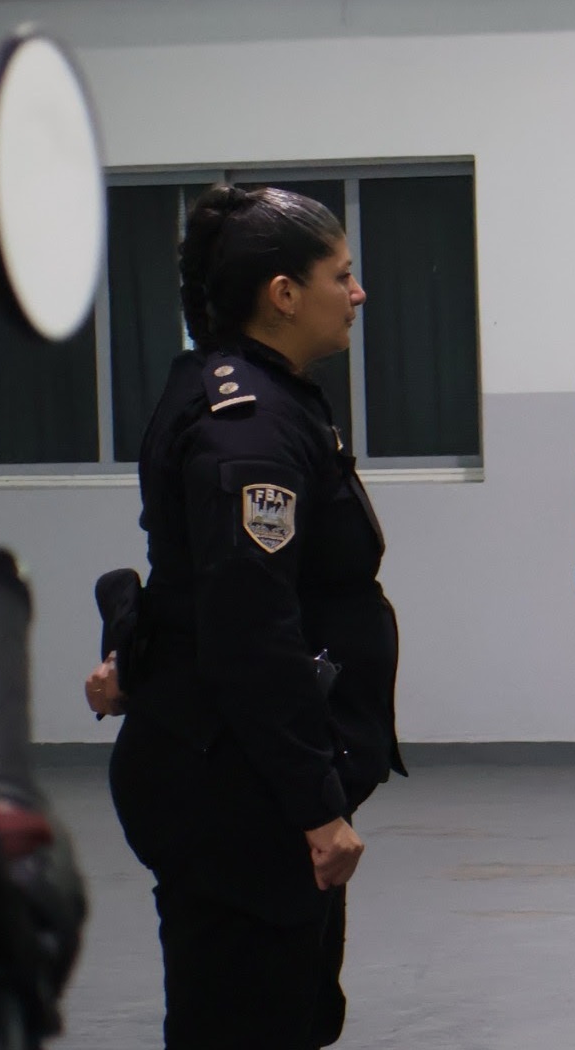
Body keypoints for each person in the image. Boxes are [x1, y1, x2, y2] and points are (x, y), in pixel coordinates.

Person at [83, 185, 404, 1049]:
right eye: (341, 275)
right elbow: (250, 634)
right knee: (246, 1021)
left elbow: (196, 583)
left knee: (288, 1013)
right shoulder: (249, 430)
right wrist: (315, 807)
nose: (359, 292)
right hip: (238, 791)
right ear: (283, 294)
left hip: (238, 770)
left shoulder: (258, 392)